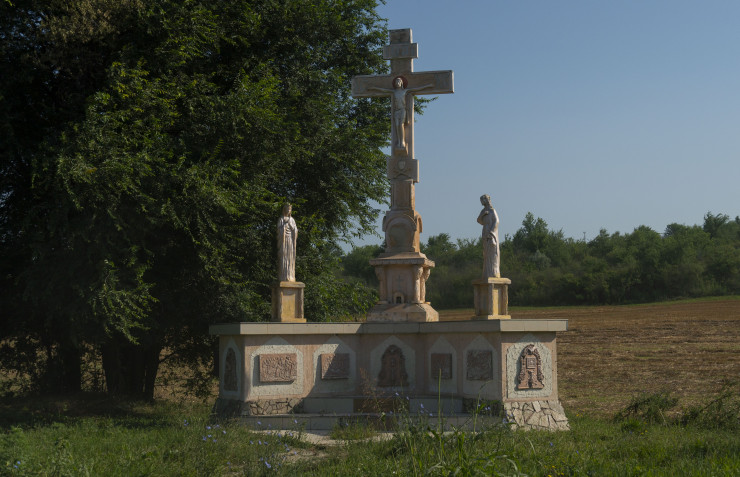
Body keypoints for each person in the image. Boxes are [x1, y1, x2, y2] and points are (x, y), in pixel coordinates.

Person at [369, 76, 433, 150]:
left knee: (401, 125)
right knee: (396, 126)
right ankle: (399, 141)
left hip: (402, 110)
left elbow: (417, 89)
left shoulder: (405, 91)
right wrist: (373, 88)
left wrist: (428, 86)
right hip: (396, 111)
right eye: (396, 81)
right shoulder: (394, 92)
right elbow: (383, 90)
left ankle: (402, 142)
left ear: (401, 83)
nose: (397, 83)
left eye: (399, 81)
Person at [477, 194, 500, 278]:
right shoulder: (483, 211)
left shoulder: (492, 210)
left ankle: (494, 272)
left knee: (492, 252)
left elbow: (496, 221)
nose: (482, 202)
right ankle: (487, 272)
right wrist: (483, 215)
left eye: (483, 200)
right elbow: (479, 220)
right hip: (485, 231)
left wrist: (491, 232)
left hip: (491, 233)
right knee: (486, 253)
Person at [277, 203, 297, 282]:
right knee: (284, 257)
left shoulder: (292, 220)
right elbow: (278, 230)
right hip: (284, 241)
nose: (289, 210)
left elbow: (295, 230)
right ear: (284, 210)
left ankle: (290, 275)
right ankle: (283, 276)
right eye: (287, 209)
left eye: (290, 209)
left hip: (290, 241)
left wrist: (292, 228)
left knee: (290, 257)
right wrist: (284, 227)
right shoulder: (281, 219)